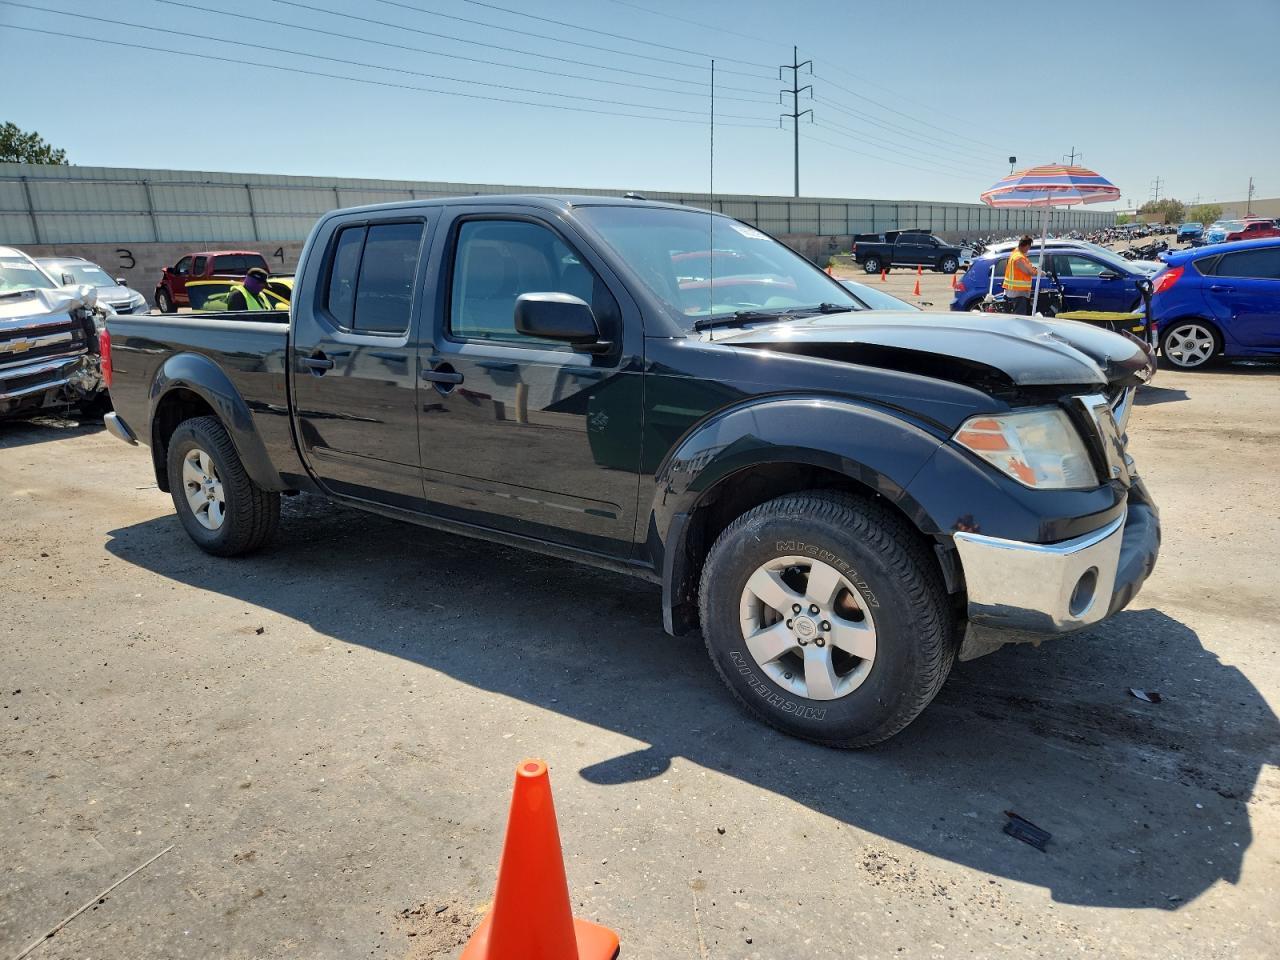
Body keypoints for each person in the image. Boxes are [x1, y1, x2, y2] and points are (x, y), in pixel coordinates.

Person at [1002, 235, 1039, 315]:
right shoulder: (1019, 257)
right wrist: (1039, 272)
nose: (1028, 250)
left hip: (1014, 291)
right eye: (1029, 247)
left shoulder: (1015, 253)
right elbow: (1028, 271)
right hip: (1018, 292)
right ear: (1026, 245)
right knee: (1019, 316)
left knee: (1015, 315)